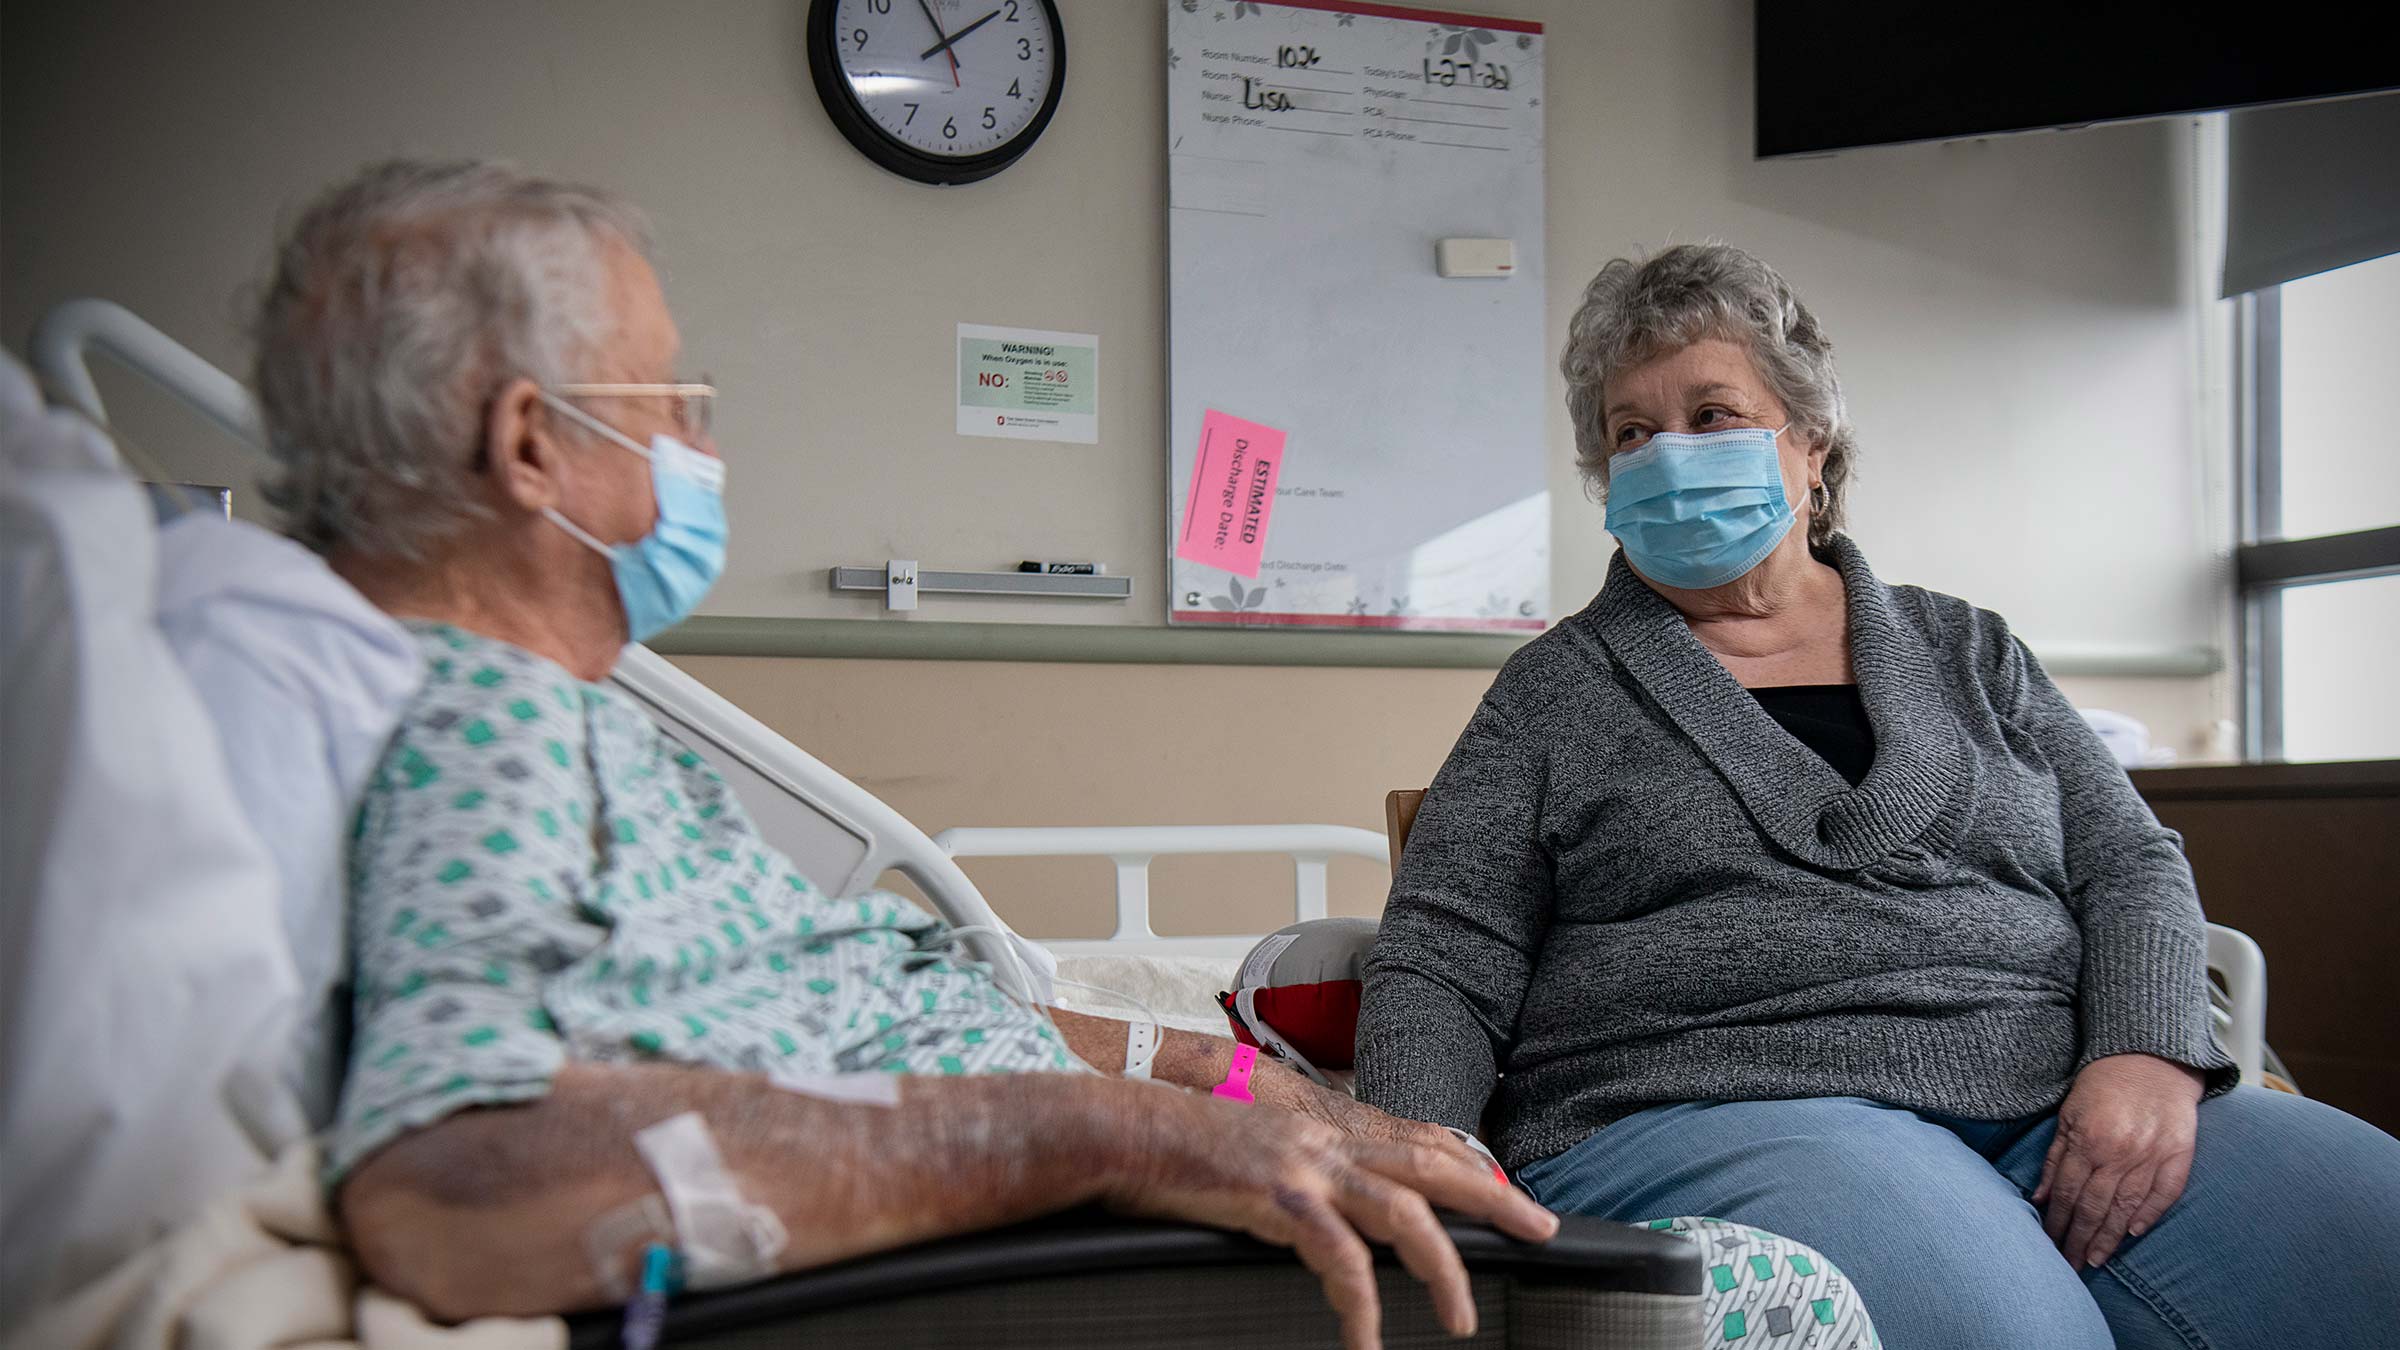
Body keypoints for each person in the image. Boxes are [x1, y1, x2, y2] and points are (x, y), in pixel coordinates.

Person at [255, 158, 1557, 1350]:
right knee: (1701, 1281)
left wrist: (1223, 1075)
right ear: (532, 444)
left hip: (1069, 1186)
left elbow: (807, 1012)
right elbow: (455, 1184)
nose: (701, 452)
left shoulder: (577, 715)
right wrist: (1132, 1132)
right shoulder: (481, 724)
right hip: (1026, 1276)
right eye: (670, 404)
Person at [1353, 241, 2400, 1349]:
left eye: (1713, 415)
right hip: (1723, 1104)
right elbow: (1440, 955)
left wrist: (2145, 1052)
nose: (1670, 453)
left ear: (1811, 445)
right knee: (2006, 1331)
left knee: (2368, 1240)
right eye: (1632, 432)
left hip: (2056, 1092)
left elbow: (2129, 864)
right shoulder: (1555, 693)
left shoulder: (1970, 648)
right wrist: (1424, 1153)